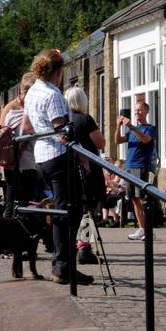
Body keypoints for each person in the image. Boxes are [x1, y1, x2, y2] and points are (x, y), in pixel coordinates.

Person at [24, 48, 93, 285]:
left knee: (61, 210)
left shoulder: (33, 91)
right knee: (69, 212)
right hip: (58, 157)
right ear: (58, 71)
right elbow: (61, 132)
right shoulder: (53, 94)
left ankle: (62, 263)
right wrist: (83, 158)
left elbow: (29, 126)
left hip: (41, 156)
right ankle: (63, 267)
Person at [64, 86, 106, 266]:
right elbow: (101, 142)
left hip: (69, 168)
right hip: (89, 169)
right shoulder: (85, 119)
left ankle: (71, 244)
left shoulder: (65, 121)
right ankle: (84, 246)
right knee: (88, 208)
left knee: (73, 206)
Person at [116, 100, 157, 242]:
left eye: (139, 110)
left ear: (146, 111)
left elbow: (146, 140)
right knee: (133, 199)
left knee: (143, 198)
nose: (136, 113)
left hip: (141, 166)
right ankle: (142, 229)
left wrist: (132, 127)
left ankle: (149, 230)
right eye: (135, 110)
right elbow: (117, 141)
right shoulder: (131, 130)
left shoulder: (149, 128)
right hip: (129, 166)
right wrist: (118, 126)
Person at [0, 73, 39, 218]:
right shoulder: (28, 111)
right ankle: (20, 230)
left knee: (11, 197)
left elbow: (1, 131)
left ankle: (9, 227)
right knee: (25, 200)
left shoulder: (8, 109)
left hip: (10, 161)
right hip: (26, 162)